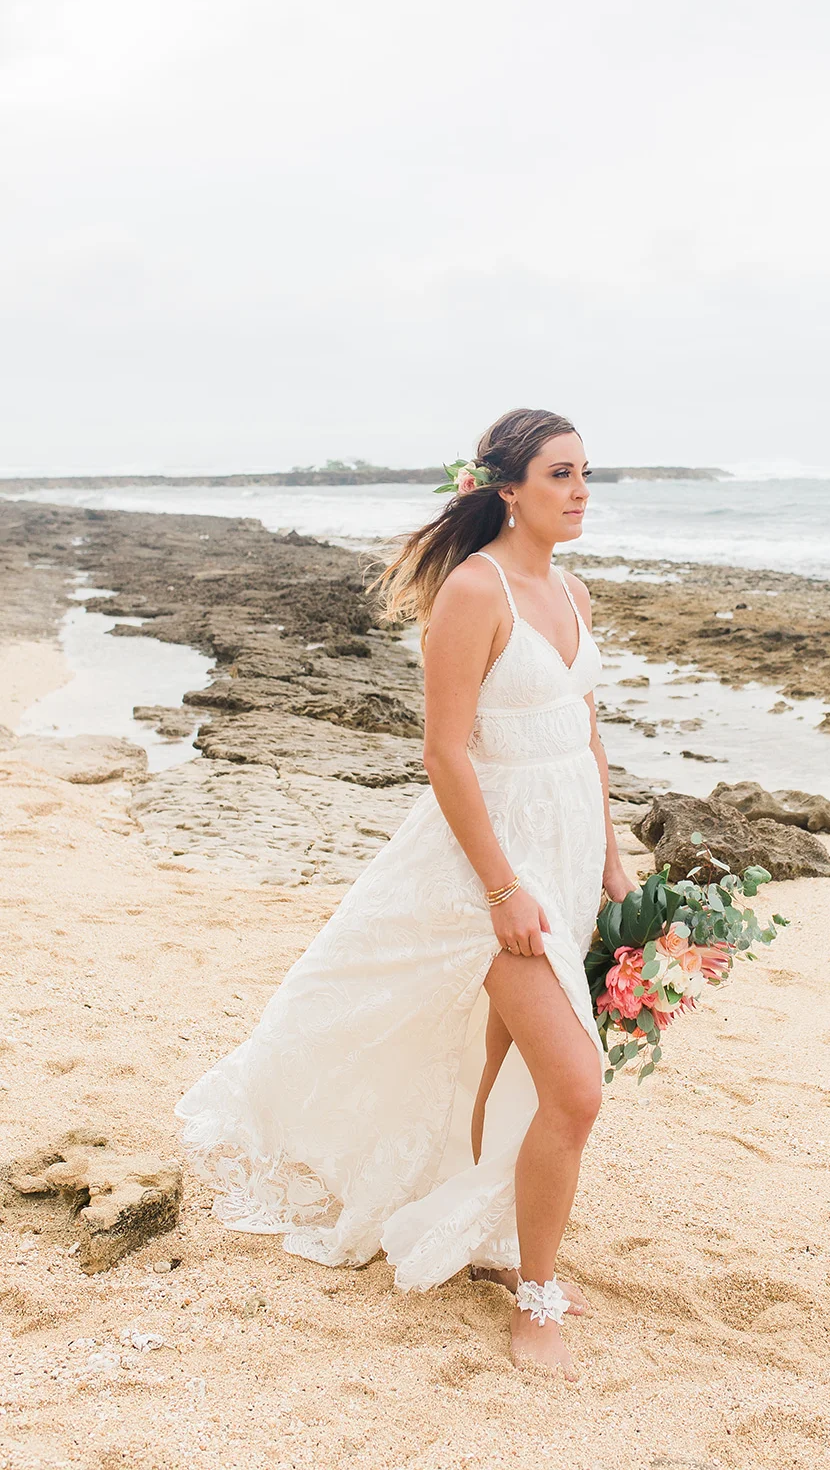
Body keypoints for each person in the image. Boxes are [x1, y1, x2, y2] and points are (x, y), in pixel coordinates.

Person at [174, 407, 638, 1380]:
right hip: (491, 869)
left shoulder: (571, 590)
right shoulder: (474, 591)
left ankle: (494, 1243)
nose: (580, 490)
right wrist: (503, 888)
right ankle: (538, 1299)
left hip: (564, 852)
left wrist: (608, 853)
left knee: (503, 1065)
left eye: (586, 472)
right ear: (506, 488)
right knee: (575, 1089)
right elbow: (443, 753)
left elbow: (582, 730)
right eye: (561, 473)